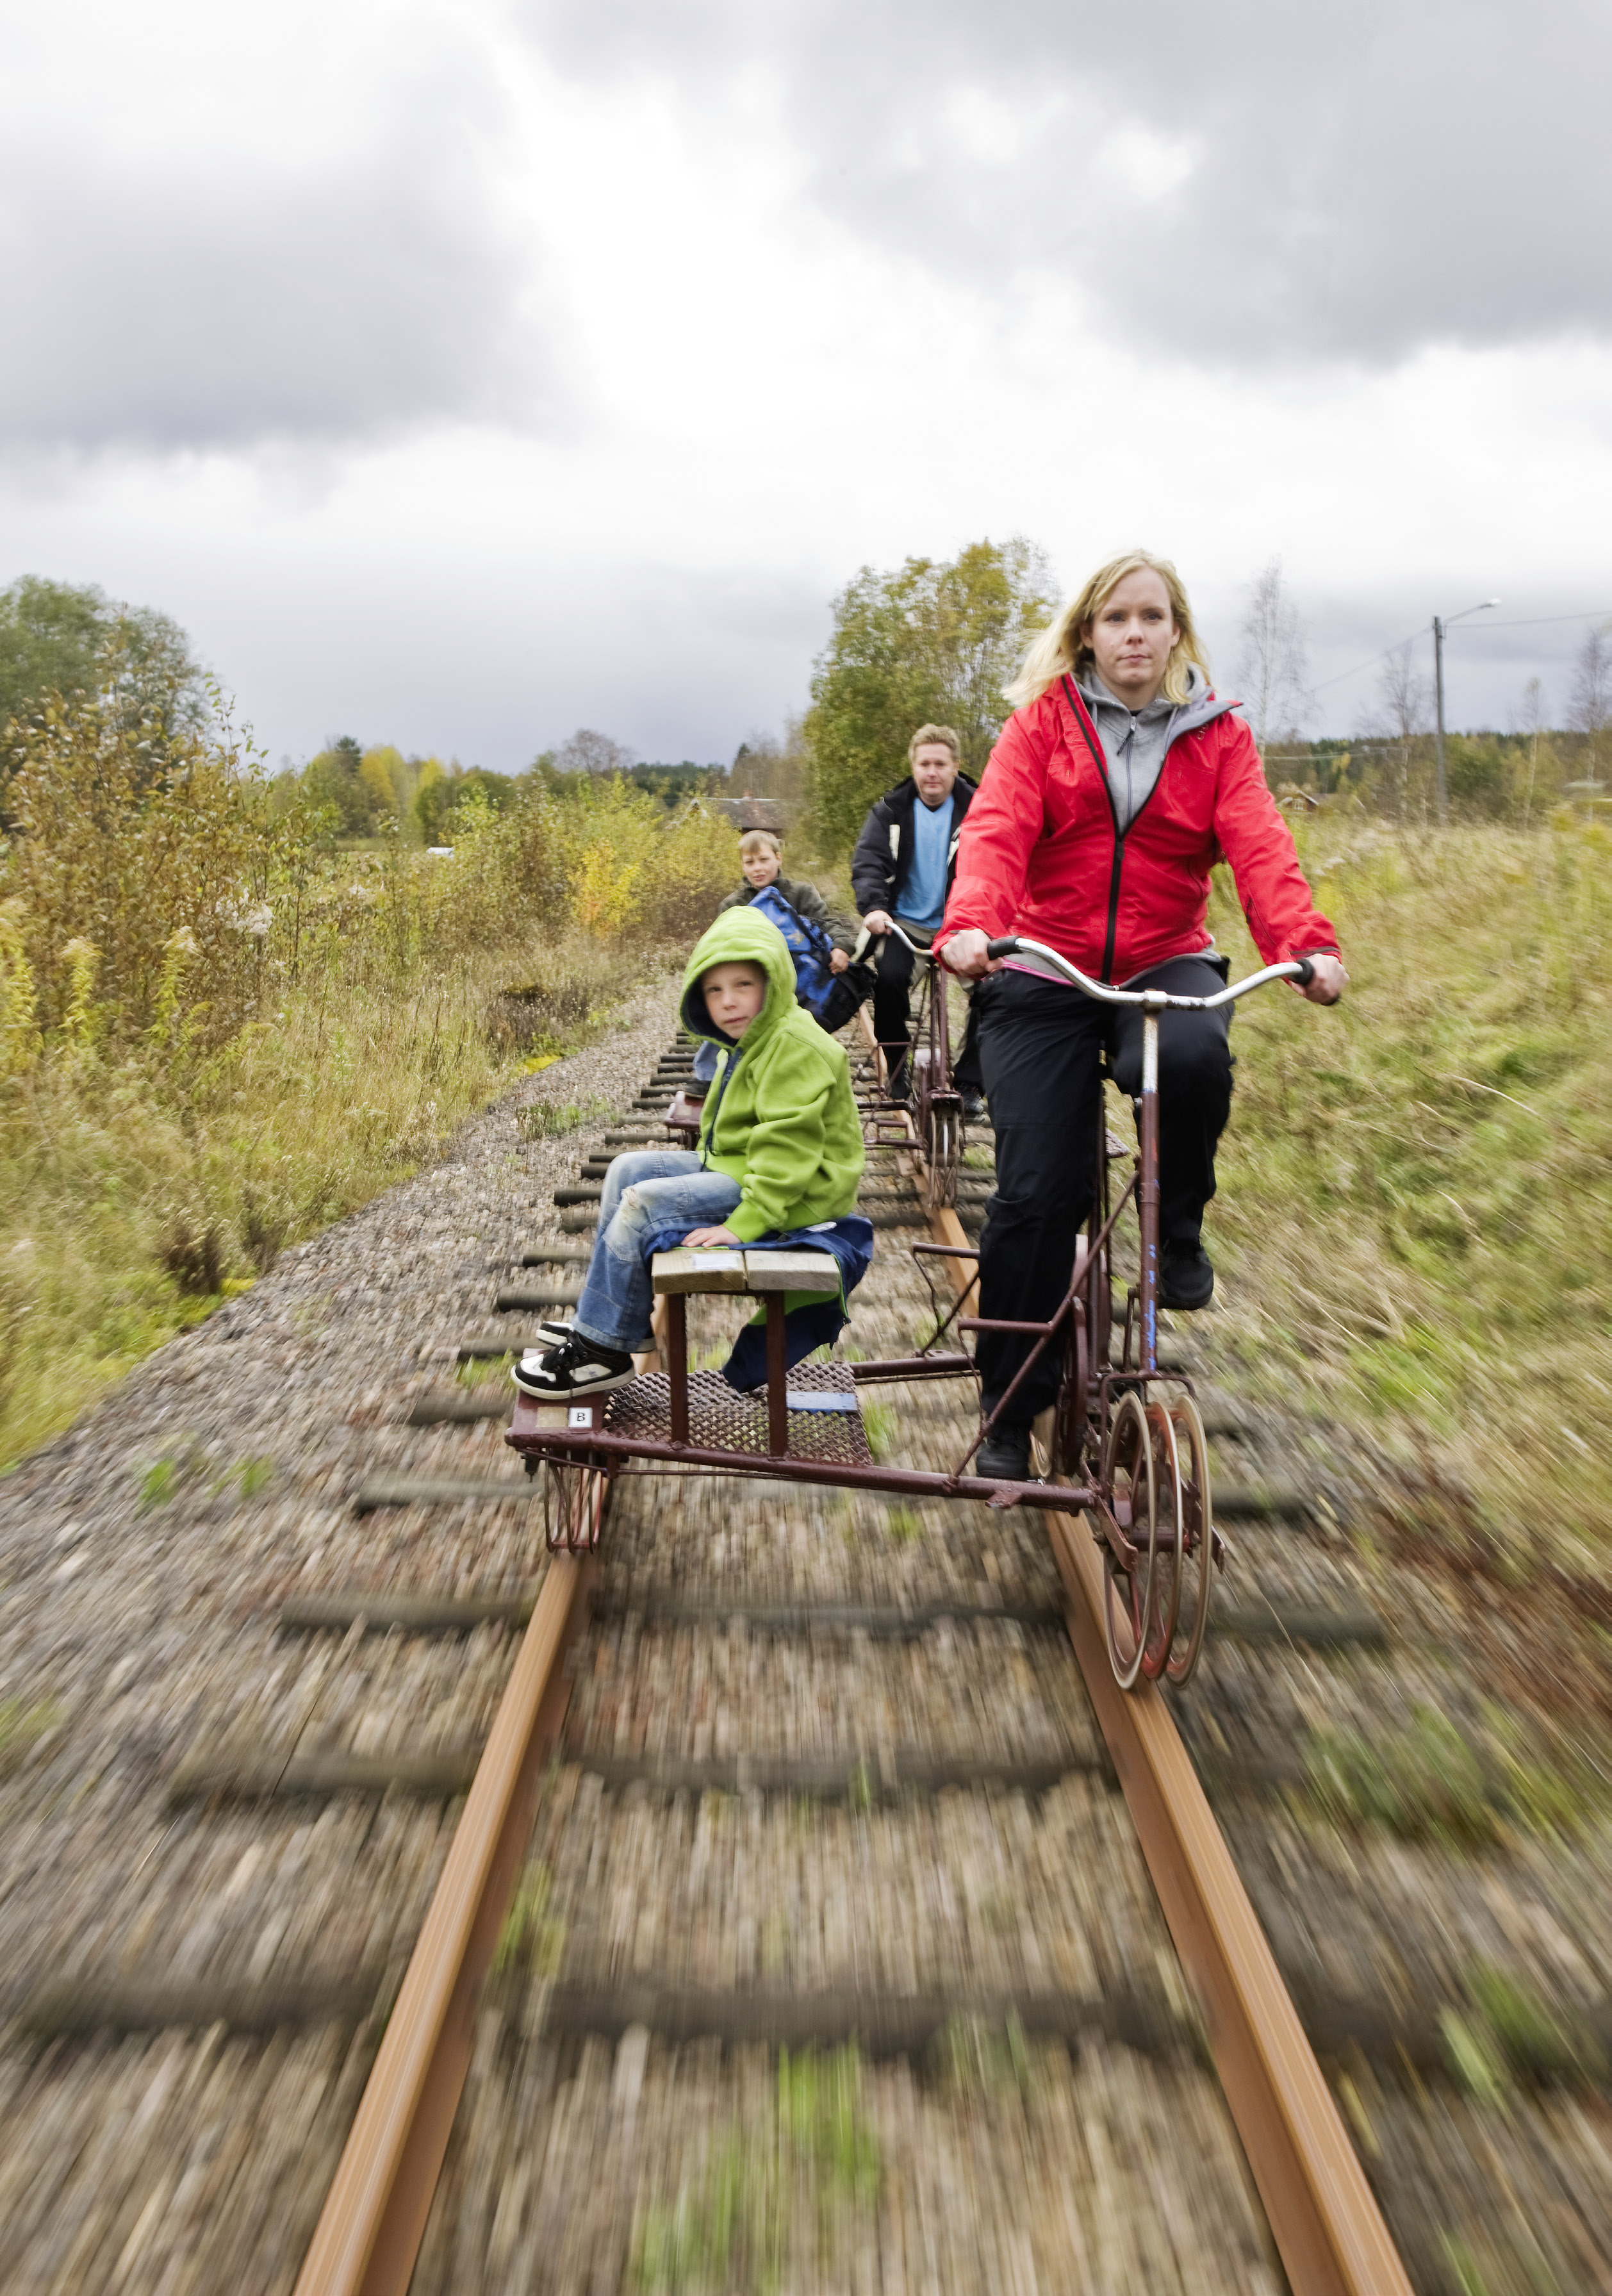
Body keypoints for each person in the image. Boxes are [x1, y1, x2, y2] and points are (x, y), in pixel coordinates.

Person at [936, 551, 1347, 1480]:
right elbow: (998, 831)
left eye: (1151, 617)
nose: (1134, 633)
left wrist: (1306, 944)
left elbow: (1259, 844)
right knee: (1035, 1194)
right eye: (1116, 617)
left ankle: (1179, 1227)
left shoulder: (1219, 736)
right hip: (1043, 960)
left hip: (1166, 951)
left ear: (1175, 631)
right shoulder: (1041, 723)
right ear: (1089, 631)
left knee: (1197, 1052)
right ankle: (1010, 1406)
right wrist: (971, 926)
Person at [516, 907, 866, 1398]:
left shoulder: (794, 1044)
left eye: (743, 984)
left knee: (641, 1205)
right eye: (715, 990)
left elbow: (788, 1151)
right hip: (742, 1165)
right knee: (625, 1168)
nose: (729, 1002)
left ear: (774, 979)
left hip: (797, 1189)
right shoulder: (748, 1038)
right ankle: (614, 1325)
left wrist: (741, 1225)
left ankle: (601, 1352)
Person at [850, 725, 984, 1116]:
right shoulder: (890, 810)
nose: (932, 772)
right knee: (888, 982)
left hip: (962, 924)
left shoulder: (980, 809)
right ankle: (897, 1072)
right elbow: (868, 862)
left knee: (995, 992)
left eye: (940, 764)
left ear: (955, 767)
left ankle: (971, 1082)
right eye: (924, 763)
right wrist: (874, 907)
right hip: (905, 925)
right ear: (913, 766)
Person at [684, 831, 862, 1093]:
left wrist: (841, 947)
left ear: (778, 858)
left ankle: (807, 1073)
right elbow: (719, 944)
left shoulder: (801, 894)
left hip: (795, 981)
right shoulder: (733, 905)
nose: (757, 868)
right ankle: (709, 1076)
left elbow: (828, 923)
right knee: (728, 1013)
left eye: (764, 860)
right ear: (743, 866)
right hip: (751, 981)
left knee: (801, 1027)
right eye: (750, 862)